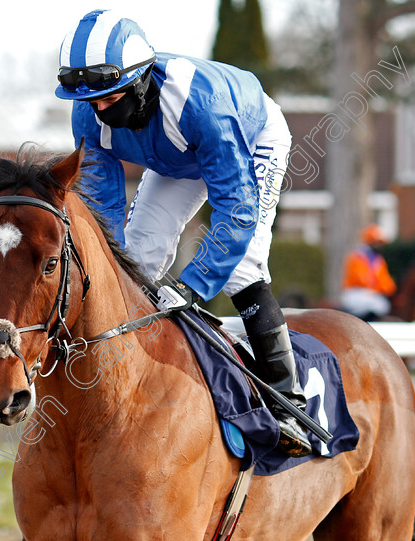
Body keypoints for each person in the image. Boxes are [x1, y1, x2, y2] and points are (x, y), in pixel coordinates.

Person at [54, 10, 309, 457]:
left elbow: (236, 210)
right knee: (137, 257)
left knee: (242, 265)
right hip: (177, 156)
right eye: (88, 100)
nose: (97, 109)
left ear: (138, 81)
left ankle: (288, 400)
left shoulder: (202, 104)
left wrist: (191, 288)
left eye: (107, 98)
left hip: (247, 138)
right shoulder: (87, 113)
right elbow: (103, 211)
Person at [339, 224, 397, 321]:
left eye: (380, 243)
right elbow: (361, 279)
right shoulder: (357, 256)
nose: (379, 245)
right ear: (370, 241)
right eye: (377, 242)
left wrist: (388, 289)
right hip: (355, 292)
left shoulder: (378, 260)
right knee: (380, 305)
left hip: (372, 294)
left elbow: (386, 282)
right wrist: (376, 289)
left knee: (382, 304)